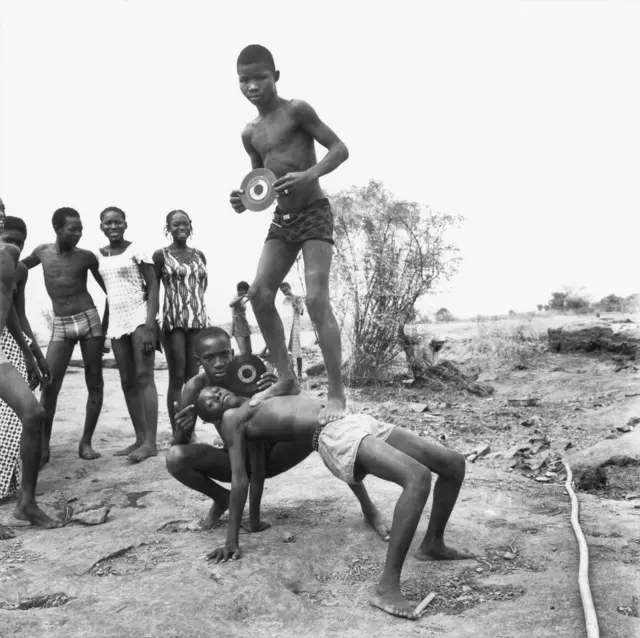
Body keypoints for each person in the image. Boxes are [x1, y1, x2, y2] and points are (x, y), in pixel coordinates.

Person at [204, 391, 471, 621]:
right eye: (209, 403)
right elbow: (241, 479)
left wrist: (255, 521)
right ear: (213, 420)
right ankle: (387, 589)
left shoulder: (258, 399)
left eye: (215, 390)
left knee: (453, 463)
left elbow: (258, 471)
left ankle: (433, 544)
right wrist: (232, 541)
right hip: (332, 433)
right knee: (417, 478)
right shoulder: (232, 419)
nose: (215, 396)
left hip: (354, 420)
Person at [166, 327, 390, 540]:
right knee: (174, 458)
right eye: (209, 358)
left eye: (224, 355)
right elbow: (179, 443)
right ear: (198, 361)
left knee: (322, 427)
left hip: (275, 454)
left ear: (232, 353)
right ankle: (221, 498)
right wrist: (182, 430)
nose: (219, 363)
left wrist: (278, 389)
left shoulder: (250, 371)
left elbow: (290, 407)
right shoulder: (194, 389)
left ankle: (368, 507)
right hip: (236, 459)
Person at [229, 44, 349, 426]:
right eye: (244, 80)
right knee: (259, 295)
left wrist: (308, 175)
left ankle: (335, 391)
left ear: (275, 77)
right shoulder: (250, 133)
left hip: (314, 212)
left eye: (259, 78)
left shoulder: (296, 110)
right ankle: (285, 378)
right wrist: (243, 200)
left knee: (315, 299)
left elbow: (340, 149)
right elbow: (259, 185)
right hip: (283, 219)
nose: (252, 86)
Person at [21, 207, 106, 466]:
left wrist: (107, 327)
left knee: (95, 382)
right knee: (50, 384)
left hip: (89, 320)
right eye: (73, 229)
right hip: (60, 324)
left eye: (81, 229)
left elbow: (109, 290)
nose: (78, 234)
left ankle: (86, 442)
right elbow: (16, 268)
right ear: (57, 229)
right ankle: (44, 446)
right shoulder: (42, 253)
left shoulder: (87, 257)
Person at [0, 219, 56, 539]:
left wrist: (31, 353)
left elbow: (11, 312)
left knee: (34, 413)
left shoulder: (11, 260)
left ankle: (27, 504)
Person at [97, 206, 160, 463]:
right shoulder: (102, 255)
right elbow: (109, 295)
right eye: (108, 223)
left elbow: (153, 285)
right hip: (117, 321)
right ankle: (139, 437)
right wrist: (104, 330)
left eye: (117, 222)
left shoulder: (137, 251)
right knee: (127, 381)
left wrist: (149, 326)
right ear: (101, 226)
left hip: (138, 318)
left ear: (125, 224)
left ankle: (151, 443)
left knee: (144, 377)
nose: (113, 227)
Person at [153, 210, 210, 433]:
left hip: (197, 321)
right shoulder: (161, 255)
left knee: (193, 378)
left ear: (190, 226)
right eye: (176, 225)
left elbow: (201, 286)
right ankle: (178, 430)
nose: (181, 228)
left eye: (185, 224)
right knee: (177, 377)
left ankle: (191, 430)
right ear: (168, 228)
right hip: (173, 321)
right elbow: (154, 292)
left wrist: (194, 309)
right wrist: (154, 326)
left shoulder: (199, 255)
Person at [280, 281, 305, 379]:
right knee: (287, 350)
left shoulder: (298, 297)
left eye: (286, 290)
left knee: (297, 349)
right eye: (283, 292)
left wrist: (293, 300)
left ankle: (299, 374)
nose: (285, 293)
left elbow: (301, 311)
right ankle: (290, 372)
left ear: (289, 287)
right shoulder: (285, 301)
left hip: (295, 326)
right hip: (286, 327)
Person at [229, 281, 252, 355]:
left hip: (244, 325)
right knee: (243, 351)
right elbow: (231, 304)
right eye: (246, 291)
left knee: (249, 350)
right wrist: (242, 297)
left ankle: (249, 365)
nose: (246, 292)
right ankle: (240, 365)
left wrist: (246, 299)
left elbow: (240, 307)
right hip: (238, 327)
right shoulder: (235, 297)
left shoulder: (241, 299)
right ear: (241, 290)